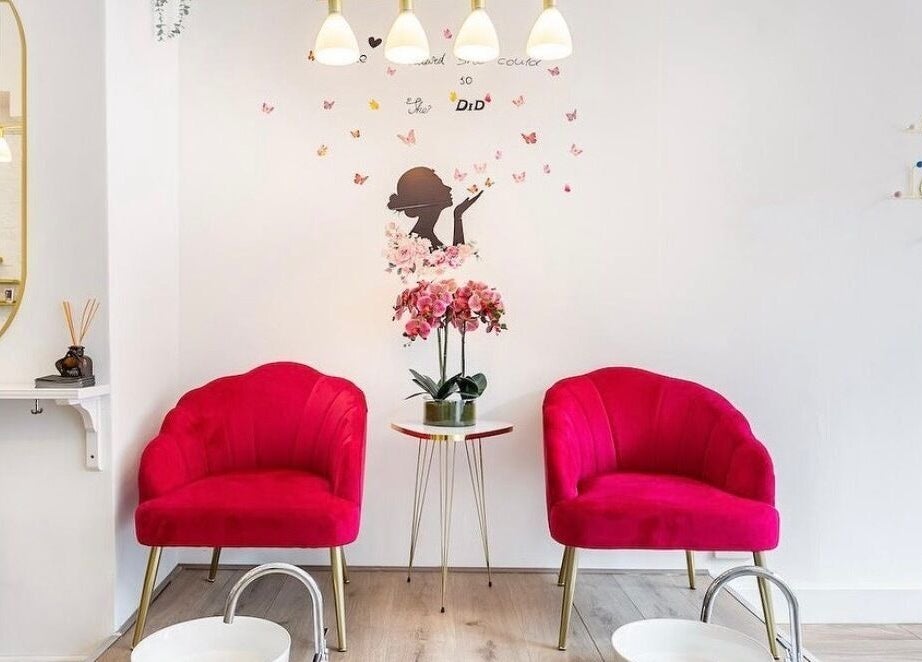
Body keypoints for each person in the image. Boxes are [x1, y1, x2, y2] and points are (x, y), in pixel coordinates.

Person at [387, 166, 483, 249]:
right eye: (439, 185)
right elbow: (456, 263)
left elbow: (454, 260)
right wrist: (458, 216)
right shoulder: (421, 241)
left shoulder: (424, 234)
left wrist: (458, 215)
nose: (449, 188)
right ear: (428, 196)